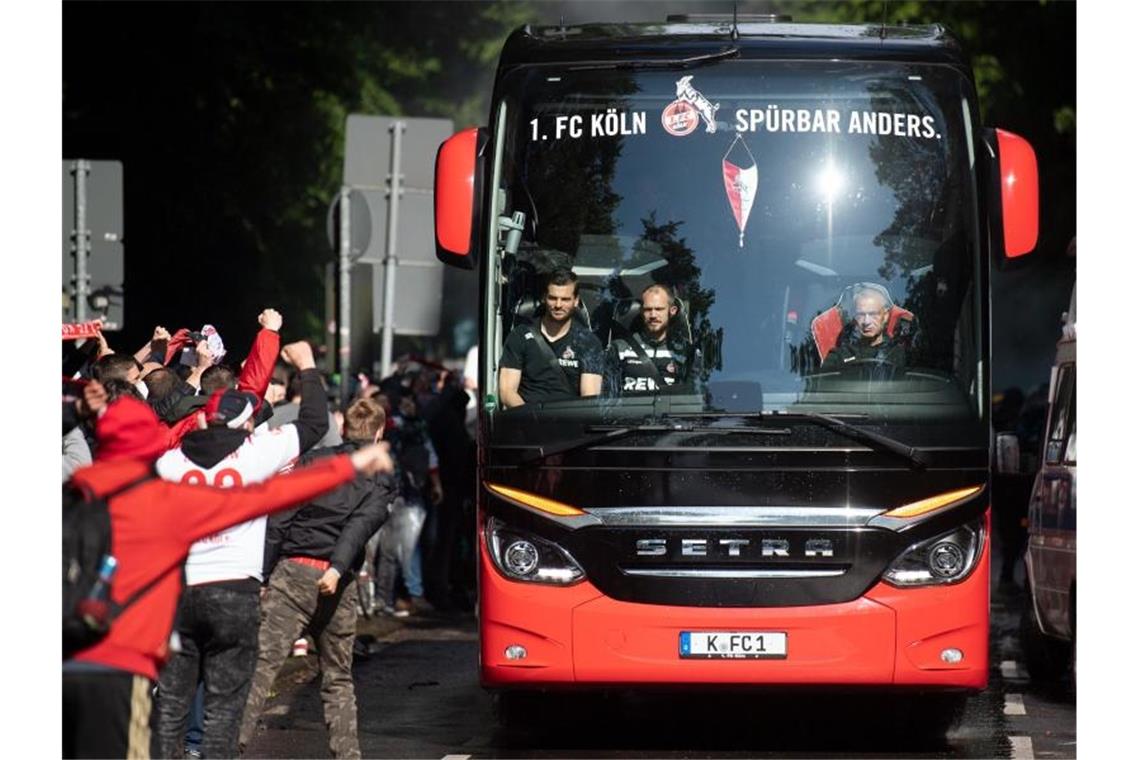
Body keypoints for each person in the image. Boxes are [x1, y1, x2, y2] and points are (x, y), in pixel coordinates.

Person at [62, 388, 394, 760]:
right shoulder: (165, 501)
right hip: (124, 662)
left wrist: (74, 412)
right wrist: (348, 466)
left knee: (176, 703)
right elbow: (268, 496)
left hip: (65, 656)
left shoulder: (70, 496)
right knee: (224, 703)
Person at [152, 340, 328, 759]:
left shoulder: (169, 462)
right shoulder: (255, 453)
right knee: (225, 703)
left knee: (172, 702)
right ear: (246, 426)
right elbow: (315, 423)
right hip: (235, 592)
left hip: (181, 591)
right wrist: (306, 366)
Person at [239, 397, 397, 758]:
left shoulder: (311, 463)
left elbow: (279, 519)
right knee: (338, 678)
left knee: (261, 669)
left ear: (342, 427)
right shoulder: (382, 479)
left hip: (292, 573)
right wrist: (338, 568)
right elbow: (360, 527)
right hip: (336, 584)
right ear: (379, 433)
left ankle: (229, 748)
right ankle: (347, 755)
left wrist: (263, 574)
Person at [498, 268, 605, 407]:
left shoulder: (589, 343)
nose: (558, 305)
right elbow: (507, 392)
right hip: (527, 419)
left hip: (569, 422)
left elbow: (589, 399)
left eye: (565, 299)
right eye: (553, 298)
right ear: (544, 298)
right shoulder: (519, 336)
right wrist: (533, 419)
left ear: (576, 301)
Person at [606, 283, 699, 396]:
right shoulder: (618, 349)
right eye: (648, 309)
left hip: (671, 412)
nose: (653, 315)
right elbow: (605, 399)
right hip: (627, 412)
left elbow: (694, 398)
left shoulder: (687, 353)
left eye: (659, 309)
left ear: (672, 310)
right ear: (641, 311)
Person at [820, 283, 909, 371]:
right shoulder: (839, 356)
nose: (866, 322)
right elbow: (822, 383)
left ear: (885, 316)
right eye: (861, 315)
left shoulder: (900, 354)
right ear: (854, 318)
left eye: (873, 314)